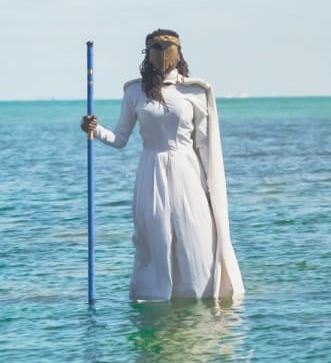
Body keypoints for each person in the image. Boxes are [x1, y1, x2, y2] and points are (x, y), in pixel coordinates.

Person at [81, 29, 244, 301]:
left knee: (195, 236)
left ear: (179, 52)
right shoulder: (135, 92)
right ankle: (155, 299)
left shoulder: (194, 91)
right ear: (147, 53)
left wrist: (210, 189)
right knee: (156, 238)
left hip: (188, 172)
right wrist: (94, 130)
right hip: (151, 171)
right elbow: (120, 138)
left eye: (169, 46)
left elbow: (205, 145)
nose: (163, 51)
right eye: (156, 47)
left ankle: (199, 298)